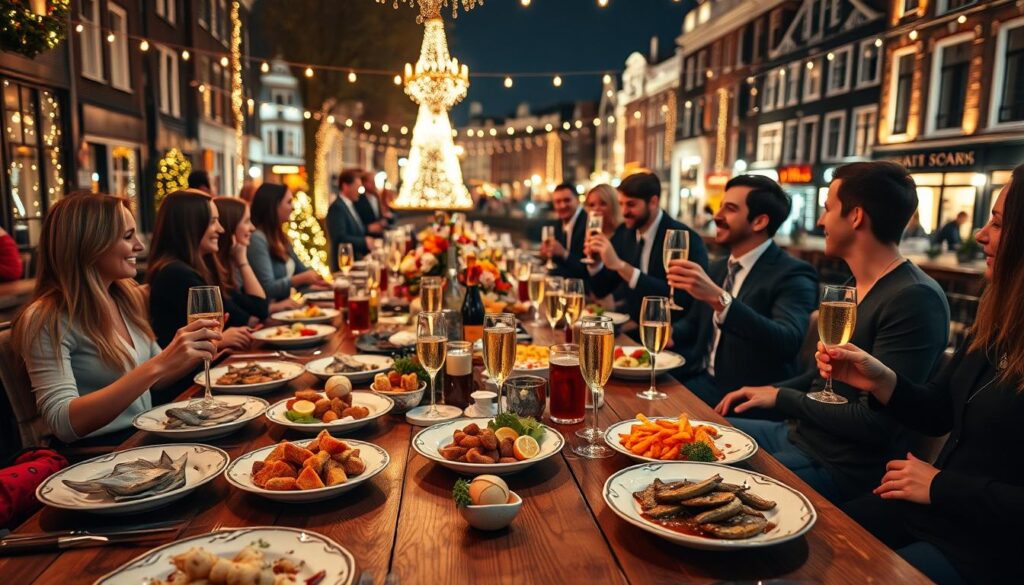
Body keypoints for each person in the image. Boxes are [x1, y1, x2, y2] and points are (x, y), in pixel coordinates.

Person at [819, 166, 1024, 583]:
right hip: (932, 512)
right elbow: (938, 413)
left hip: (990, 549)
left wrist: (939, 485)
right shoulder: (997, 320)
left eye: (998, 223)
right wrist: (880, 380)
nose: (982, 235)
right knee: (813, 539)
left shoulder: (915, 294)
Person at [715, 161, 950, 503]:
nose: (821, 221)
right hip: (798, 436)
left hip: (838, 466)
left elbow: (875, 424)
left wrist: (782, 398)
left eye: (827, 209)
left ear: (855, 217)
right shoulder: (852, 287)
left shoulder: (915, 299)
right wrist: (770, 389)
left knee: (715, 485)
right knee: (699, 436)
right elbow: (823, 379)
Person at [12, 192, 220, 444]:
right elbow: (63, 423)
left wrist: (192, 351)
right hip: (100, 455)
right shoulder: (45, 318)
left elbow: (158, 380)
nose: (140, 246)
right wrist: (161, 362)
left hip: (145, 438)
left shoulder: (124, 297)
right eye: (127, 236)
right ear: (89, 244)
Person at [667, 175, 819, 405]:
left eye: (729, 209)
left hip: (744, 397)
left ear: (759, 222)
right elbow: (695, 323)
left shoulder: (793, 274)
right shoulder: (719, 267)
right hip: (699, 379)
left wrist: (720, 300)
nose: (716, 216)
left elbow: (787, 341)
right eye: (720, 207)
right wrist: (669, 332)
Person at [585, 172, 709, 324]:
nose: (624, 212)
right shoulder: (625, 233)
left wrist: (621, 266)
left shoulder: (684, 239)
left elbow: (681, 298)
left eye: (631, 204)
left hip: (672, 333)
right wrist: (595, 264)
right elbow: (602, 290)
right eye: (621, 204)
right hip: (633, 327)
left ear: (653, 202)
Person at [146, 191, 254, 353]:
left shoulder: (190, 268)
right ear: (191, 225)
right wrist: (221, 339)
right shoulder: (176, 274)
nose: (221, 229)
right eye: (213, 222)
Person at [247, 183, 326, 303]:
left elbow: (302, 271)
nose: (293, 207)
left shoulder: (280, 236)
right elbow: (268, 288)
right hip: (270, 314)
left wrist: (321, 284)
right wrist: (300, 279)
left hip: (286, 310)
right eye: (289, 202)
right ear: (274, 206)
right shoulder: (257, 239)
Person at [212, 197, 271, 327]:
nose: (252, 228)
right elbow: (260, 311)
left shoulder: (229, 265)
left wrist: (241, 259)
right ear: (230, 227)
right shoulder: (212, 270)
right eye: (246, 221)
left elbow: (260, 310)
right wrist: (242, 261)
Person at [327, 169, 371, 269]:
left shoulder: (350, 204)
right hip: (344, 265)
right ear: (345, 186)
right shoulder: (337, 207)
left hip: (355, 262)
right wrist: (364, 242)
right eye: (357, 187)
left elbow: (355, 230)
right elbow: (340, 238)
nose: (360, 191)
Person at [540, 183, 586, 273]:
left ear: (577, 200)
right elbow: (556, 263)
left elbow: (587, 269)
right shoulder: (558, 223)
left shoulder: (587, 223)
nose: (562, 205)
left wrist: (563, 253)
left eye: (567, 200)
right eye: (558, 202)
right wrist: (545, 255)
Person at [354, 170, 386, 235]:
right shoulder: (358, 200)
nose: (374, 184)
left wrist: (382, 221)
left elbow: (380, 216)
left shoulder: (376, 197)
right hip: (366, 237)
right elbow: (356, 223)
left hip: (379, 236)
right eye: (372, 182)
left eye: (374, 181)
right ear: (364, 183)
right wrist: (367, 228)